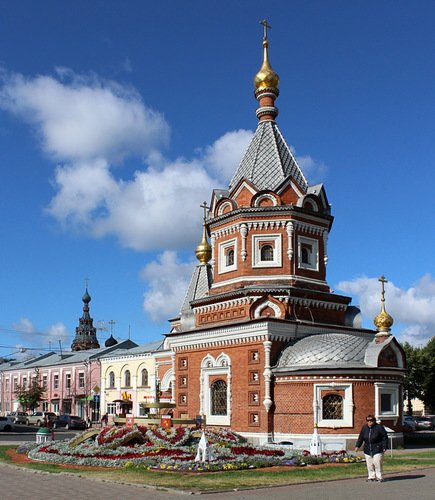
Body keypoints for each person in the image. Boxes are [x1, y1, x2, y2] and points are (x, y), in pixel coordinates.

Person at [355, 414, 388, 482]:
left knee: (377, 462)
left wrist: (385, 446)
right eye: (368, 420)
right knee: (369, 463)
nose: (369, 422)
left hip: (378, 448)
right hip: (367, 448)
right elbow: (361, 437)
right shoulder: (364, 428)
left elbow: (384, 437)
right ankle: (371, 476)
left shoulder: (379, 427)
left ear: (374, 421)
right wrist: (357, 446)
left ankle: (379, 476)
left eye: (371, 420)